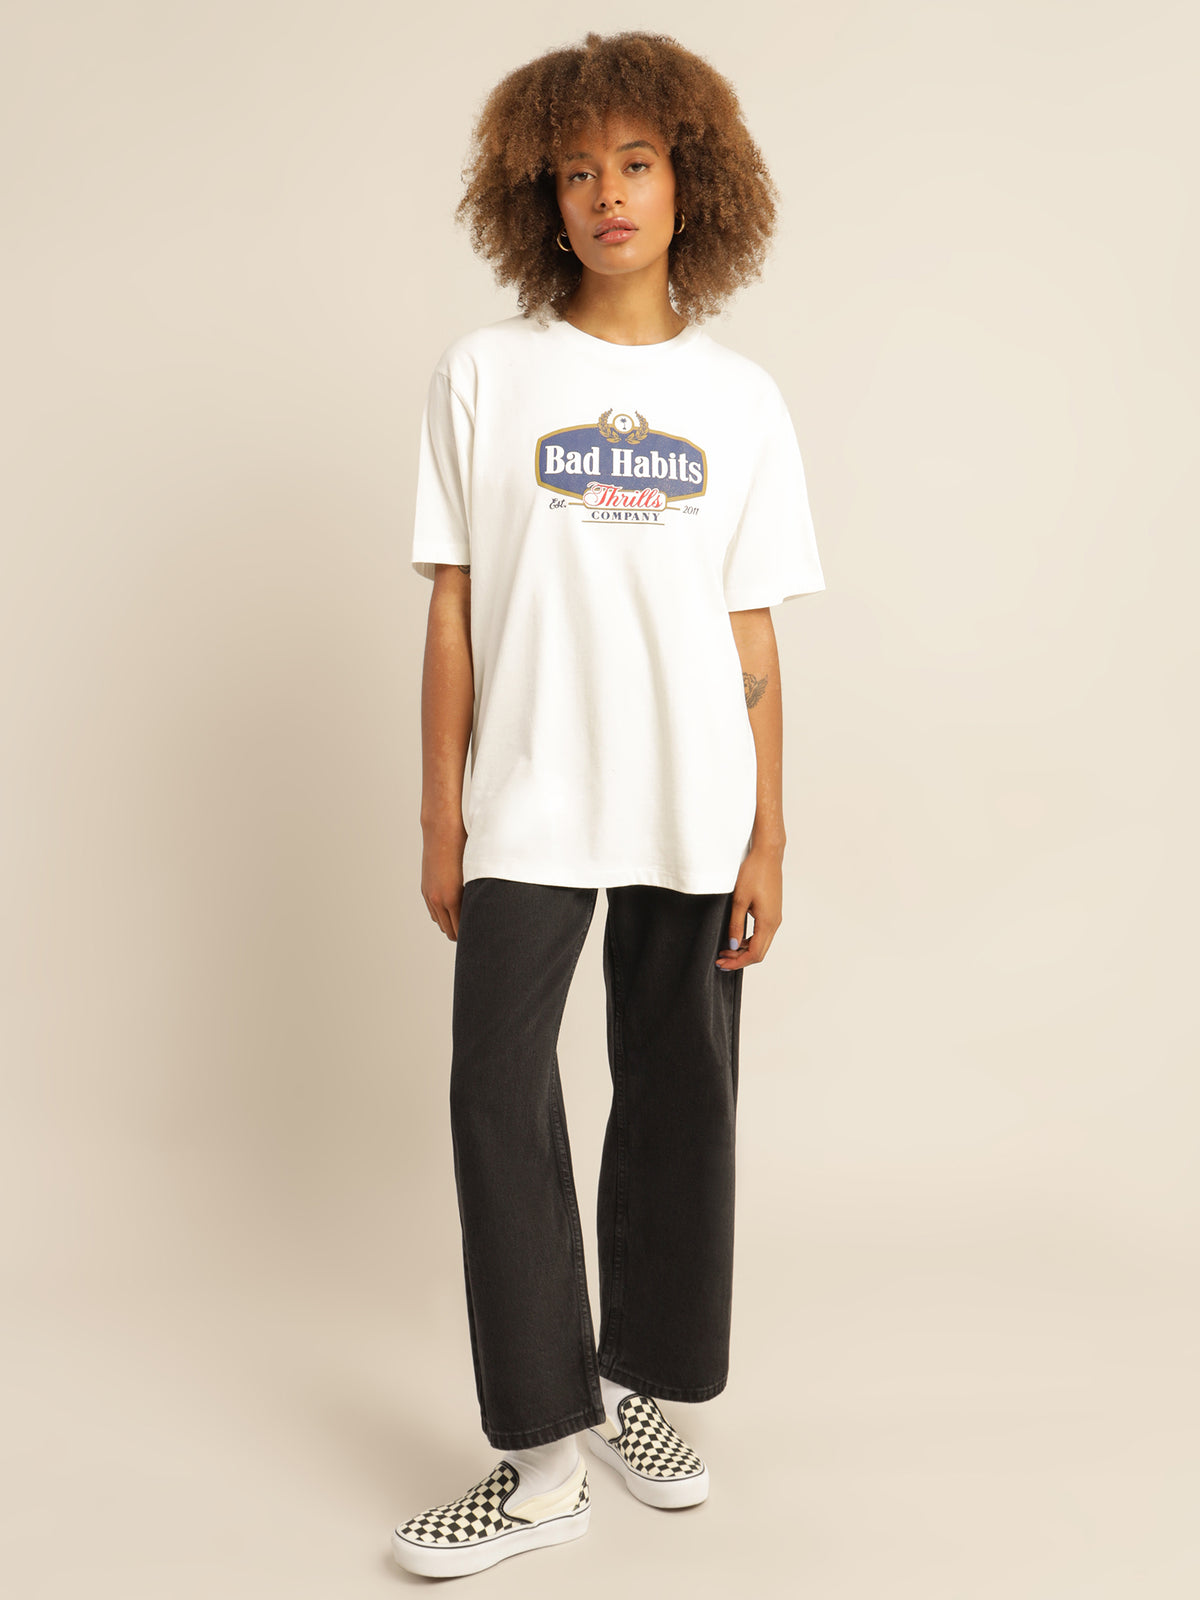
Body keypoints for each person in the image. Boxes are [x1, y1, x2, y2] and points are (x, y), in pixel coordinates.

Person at [391, 29, 826, 1579]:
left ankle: (641, 1390)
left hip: (695, 804)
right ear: (542, 196)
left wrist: (770, 831)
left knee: (678, 1095)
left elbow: (751, 630)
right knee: (494, 1096)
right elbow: (452, 609)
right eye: (576, 171)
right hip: (528, 798)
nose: (607, 194)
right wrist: (440, 817)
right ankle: (540, 1460)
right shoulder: (484, 377)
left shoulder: (741, 401)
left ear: (692, 181)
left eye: (635, 162)